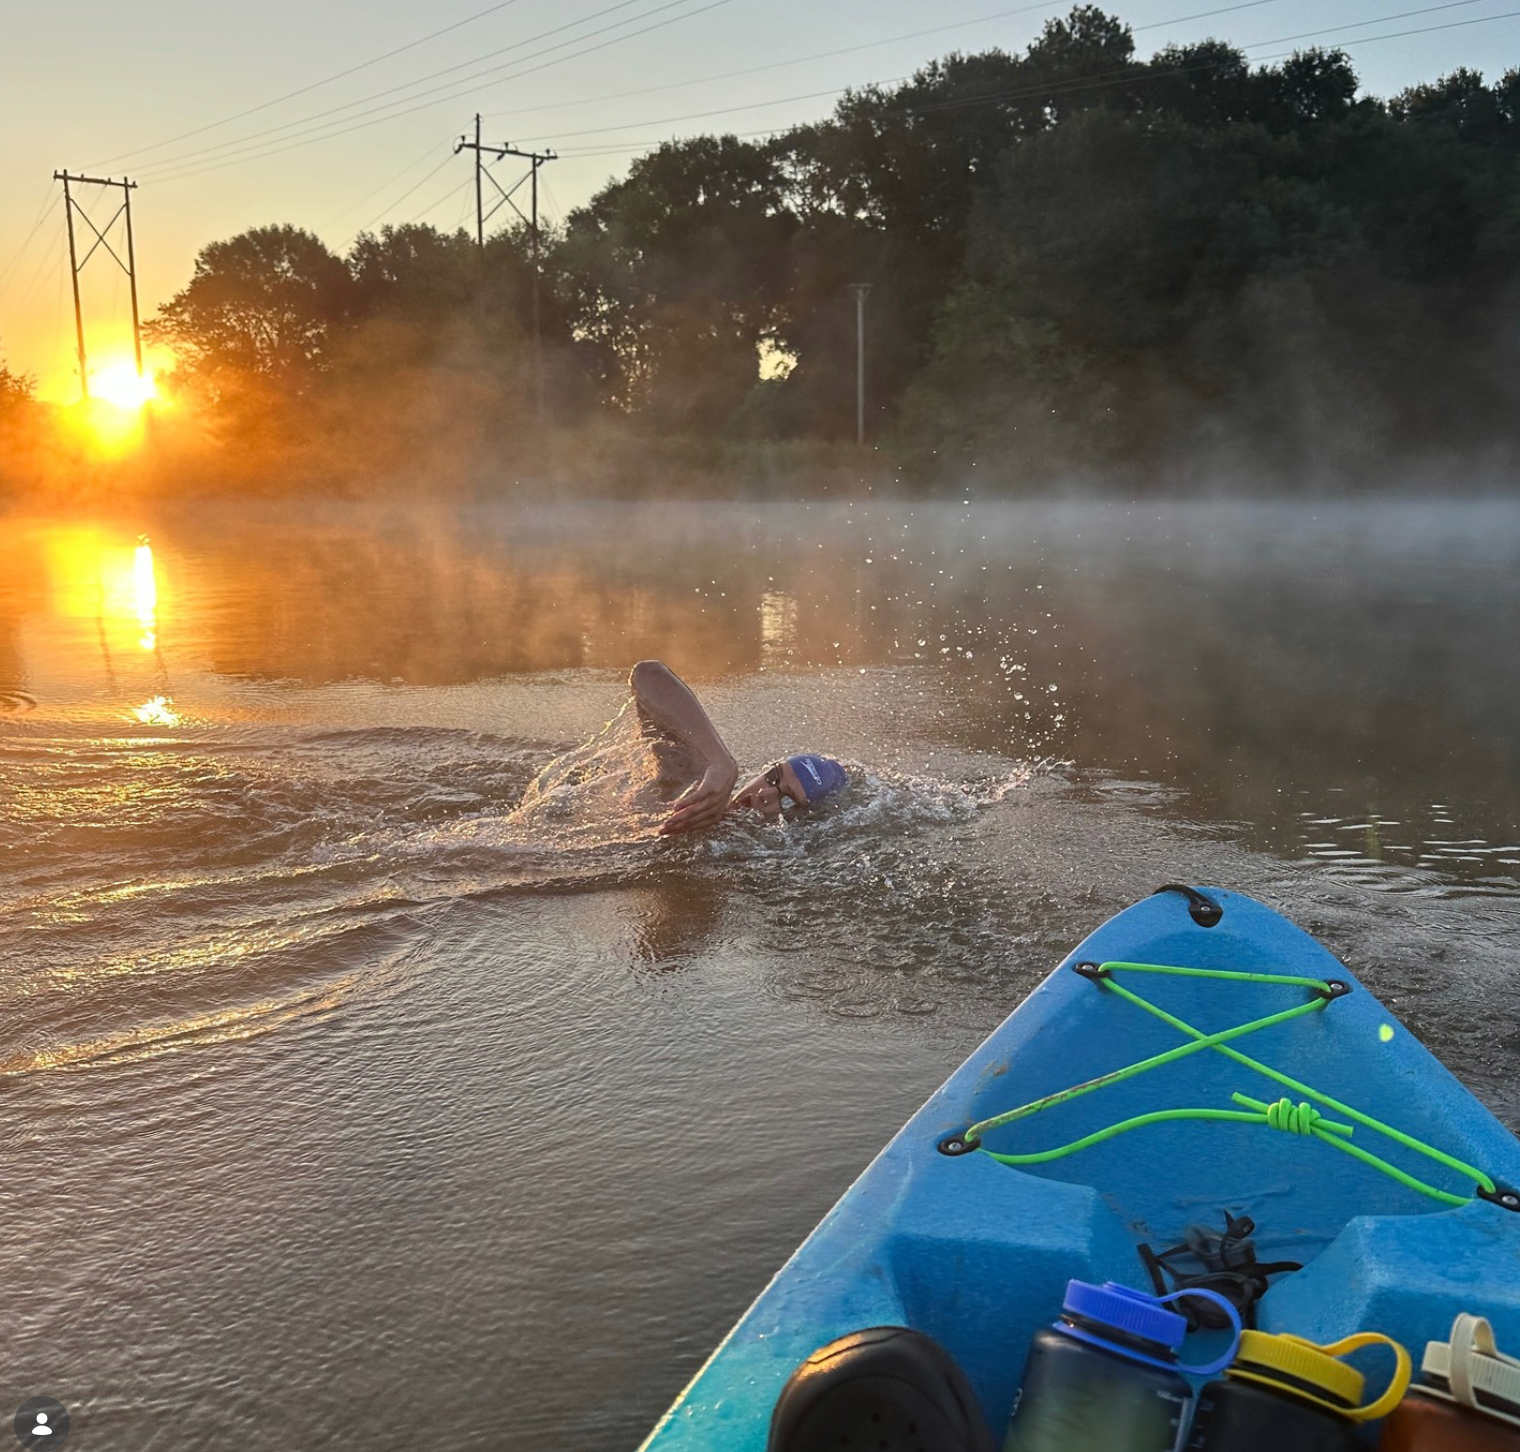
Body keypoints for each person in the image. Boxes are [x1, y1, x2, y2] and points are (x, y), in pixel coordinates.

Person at [627, 660, 849, 835]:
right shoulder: (695, 786)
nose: (764, 793)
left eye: (788, 800)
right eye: (773, 777)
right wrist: (719, 761)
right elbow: (647, 673)